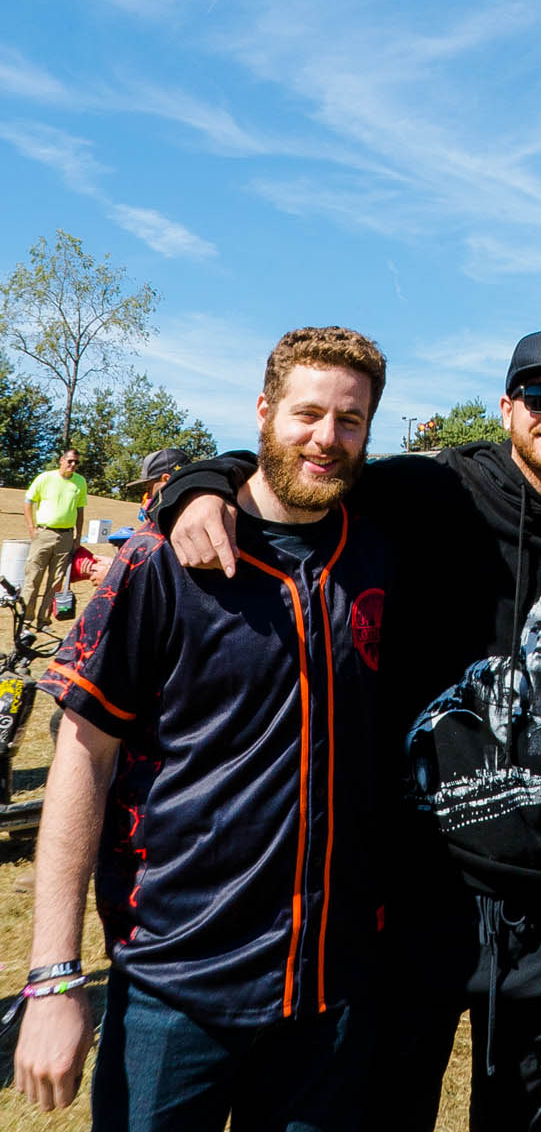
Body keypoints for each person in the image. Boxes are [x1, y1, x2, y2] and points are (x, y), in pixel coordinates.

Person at [157, 323, 541, 1132]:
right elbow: (306, 470)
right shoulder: (428, 492)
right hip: (415, 892)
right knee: (390, 1113)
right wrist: (199, 483)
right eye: (540, 396)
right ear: (507, 408)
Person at [13, 326, 392, 1130]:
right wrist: (54, 976)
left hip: (327, 995)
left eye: (350, 420)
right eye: (307, 414)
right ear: (263, 411)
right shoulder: (164, 558)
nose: (327, 438)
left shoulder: (376, 552)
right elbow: (83, 755)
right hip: (175, 986)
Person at [22, 448, 88, 623]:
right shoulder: (45, 478)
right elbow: (28, 501)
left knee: (56, 581)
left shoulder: (80, 482)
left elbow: (80, 511)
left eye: (76, 462)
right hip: (44, 534)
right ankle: (25, 620)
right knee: (33, 577)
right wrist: (31, 527)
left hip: (66, 537)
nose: (73, 465)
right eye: (70, 461)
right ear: (61, 460)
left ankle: (44, 620)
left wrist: (78, 536)